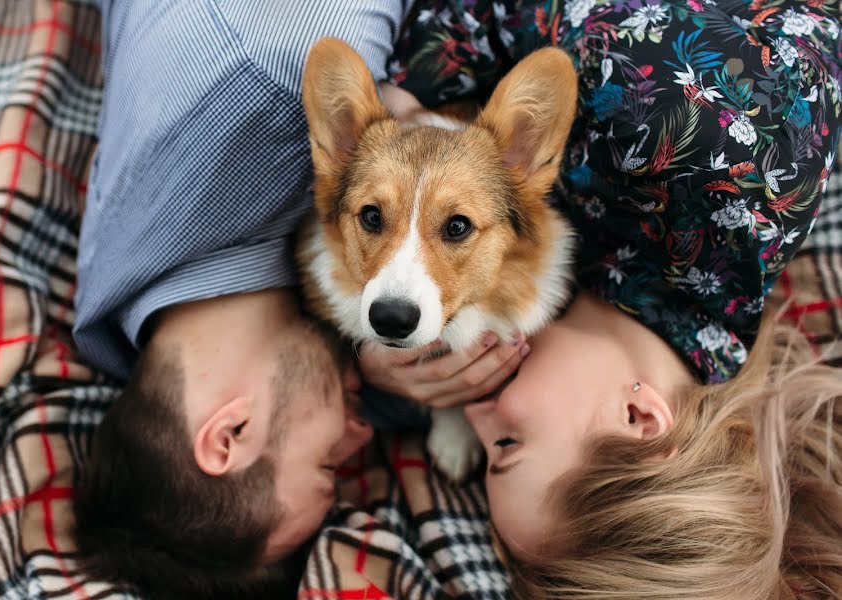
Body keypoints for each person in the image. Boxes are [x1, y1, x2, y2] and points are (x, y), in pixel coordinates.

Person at [357, 0, 842, 597]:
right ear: (638, 420)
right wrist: (405, 110)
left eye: (483, 460)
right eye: (506, 446)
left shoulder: (604, 312)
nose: (472, 411)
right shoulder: (706, 151)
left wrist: (384, 365)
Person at [70, 1, 527, 598]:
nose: (364, 438)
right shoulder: (129, 329)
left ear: (228, 434)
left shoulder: (269, 72)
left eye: (326, 466)